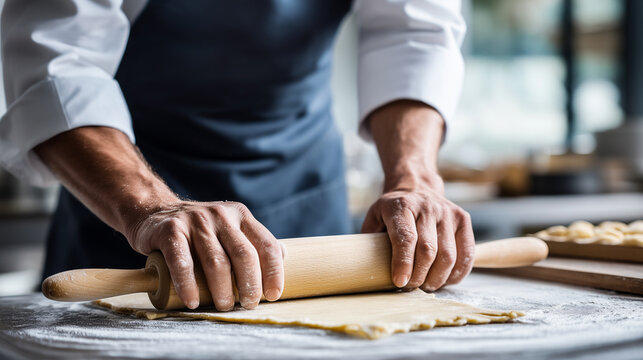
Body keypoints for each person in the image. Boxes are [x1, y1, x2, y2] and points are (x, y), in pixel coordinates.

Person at [0, 0, 473, 311]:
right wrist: (150, 209)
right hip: (123, 202)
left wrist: (414, 179)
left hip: (305, 192)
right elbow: (58, 64)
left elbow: (411, 32)